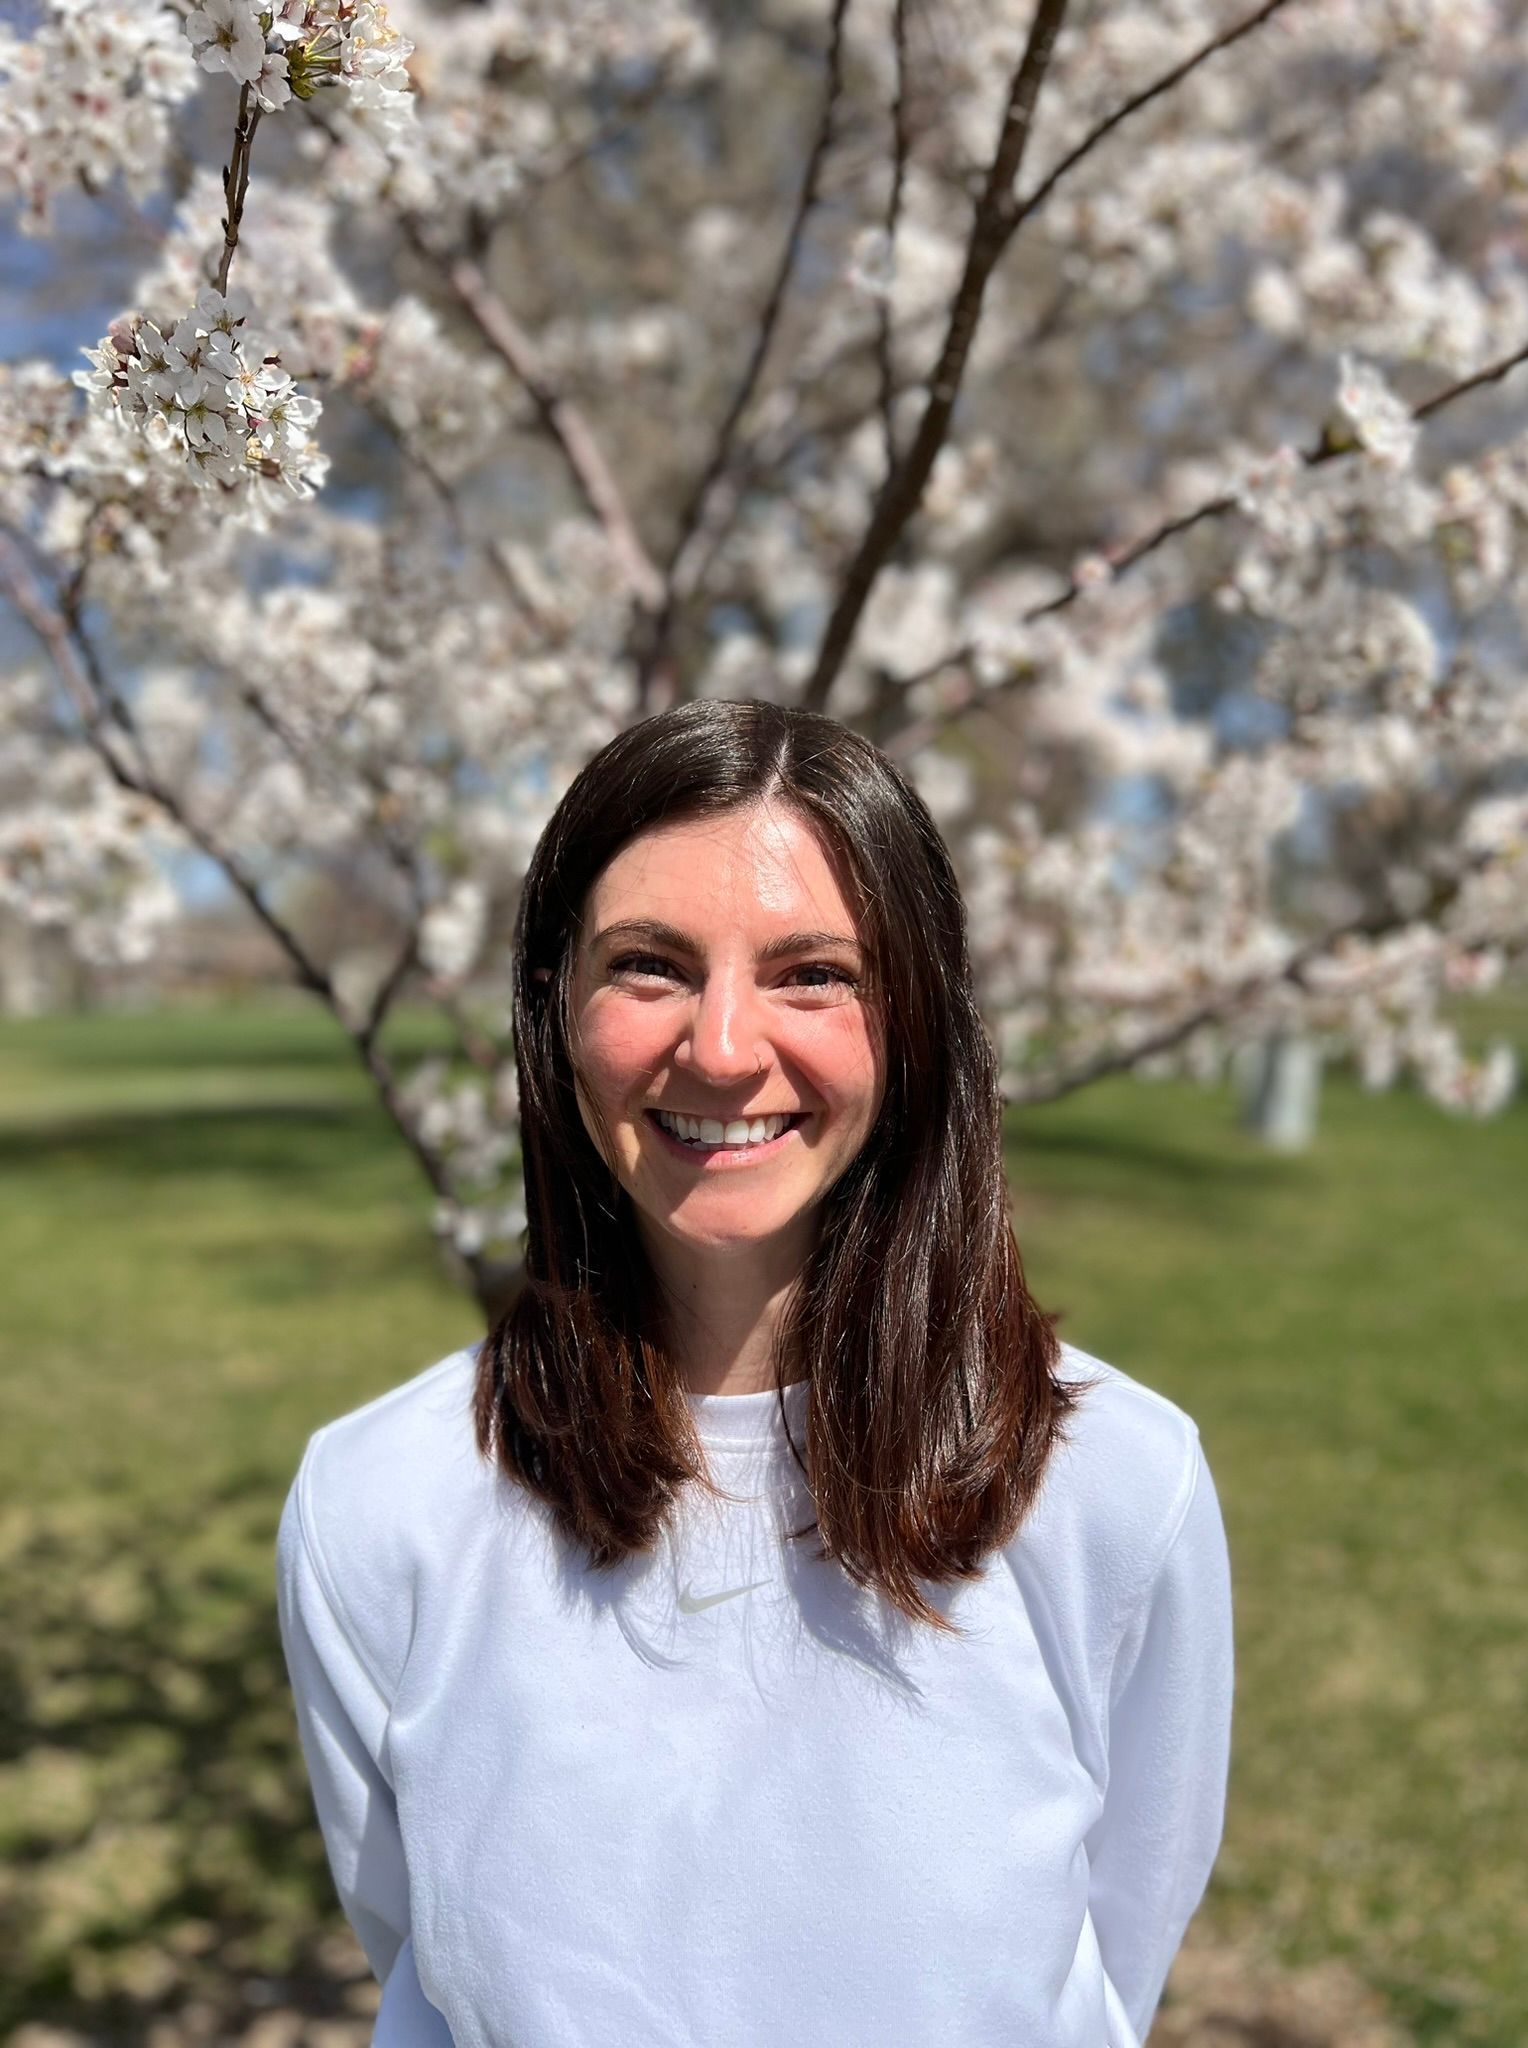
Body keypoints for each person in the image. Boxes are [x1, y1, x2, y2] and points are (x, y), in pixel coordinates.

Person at [276, 697, 1234, 2048]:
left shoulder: (1113, 1489)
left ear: (916, 1023)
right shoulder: (381, 1507)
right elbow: (420, 1962)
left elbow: (1116, 1944)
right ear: (553, 1008)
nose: (723, 1049)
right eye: (650, 966)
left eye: (812, 974)